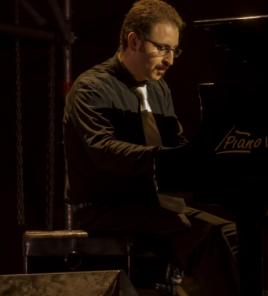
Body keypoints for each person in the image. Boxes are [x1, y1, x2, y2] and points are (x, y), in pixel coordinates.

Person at [63, 0, 239, 295]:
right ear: (133, 40)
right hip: (105, 209)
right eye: (163, 48)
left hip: (151, 204)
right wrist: (167, 159)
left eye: (174, 50)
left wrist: (212, 161)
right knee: (210, 235)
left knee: (235, 230)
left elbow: (176, 144)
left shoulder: (159, 88)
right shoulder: (91, 88)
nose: (170, 59)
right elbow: (103, 151)